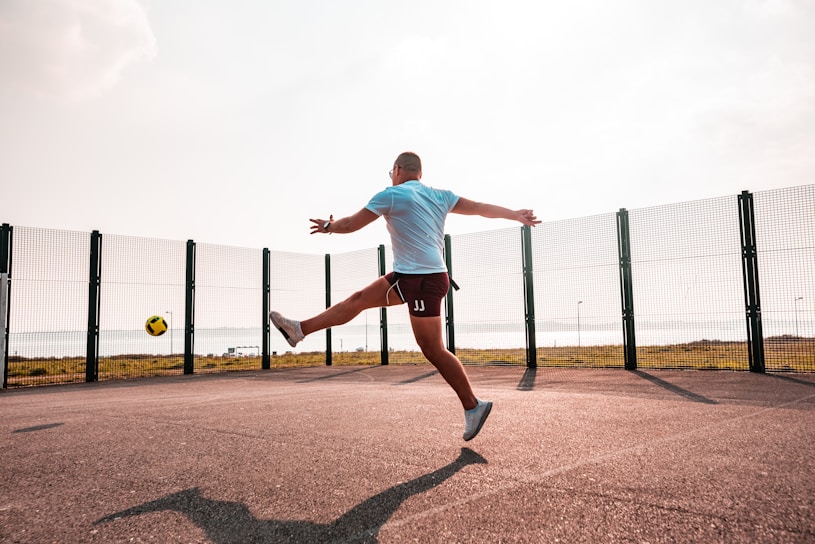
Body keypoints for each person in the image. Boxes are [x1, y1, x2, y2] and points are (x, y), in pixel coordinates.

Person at [271, 152, 541, 441]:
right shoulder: (440, 195)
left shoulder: (392, 195)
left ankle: (473, 406)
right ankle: (298, 330)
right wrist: (514, 214)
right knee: (359, 299)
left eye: (391, 172)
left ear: (397, 170)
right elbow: (478, 207)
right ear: (420, 174)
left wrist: (329, 227)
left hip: (421, 280)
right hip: (411, 276)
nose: (392, 176)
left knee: (433, 349)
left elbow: (350, 225)